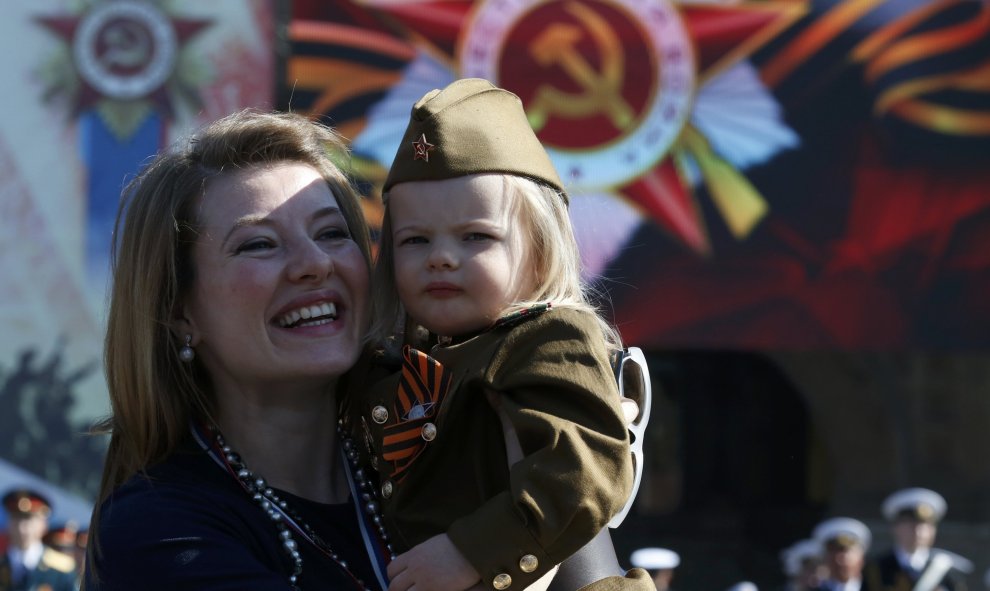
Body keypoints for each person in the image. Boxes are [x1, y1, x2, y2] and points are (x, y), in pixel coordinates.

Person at [349, 77, 652, 591]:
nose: (441, 256)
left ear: (539, 249)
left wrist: (470, 552)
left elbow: (581, 475)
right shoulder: (398, 360)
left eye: (476, 236)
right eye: (415, 239)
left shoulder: (549, 338)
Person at [82, 110, 391, 590]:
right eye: (259, 244)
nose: (314, 263)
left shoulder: (426, 474)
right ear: (180, 313)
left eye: (332, 233)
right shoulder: (156, 531)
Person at [864, 488, 968, 591]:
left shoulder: (947, 571)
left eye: (924, 525)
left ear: (934, 530)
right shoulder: (875, 569)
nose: (918, 532)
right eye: (911, 525)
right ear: (895, 527)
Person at [1, 488, 77, 591]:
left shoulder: (61, 569)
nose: (22, 528)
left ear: (43, 525)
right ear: (9, 523)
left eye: (28, 519)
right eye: (16, 518)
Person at [811, 517, 873, 591]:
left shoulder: (877, 587)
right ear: (825, 559)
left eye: (846, 552)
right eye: (833, 552)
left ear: (861, 558)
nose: (839, 560)